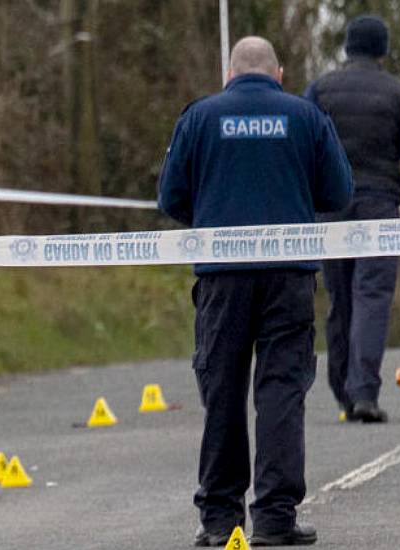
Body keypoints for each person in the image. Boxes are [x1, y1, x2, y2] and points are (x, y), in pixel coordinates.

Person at [158, 36, 353, 547]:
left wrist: (212, 216)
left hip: (221, 279)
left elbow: (170, 196)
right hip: (289, 276)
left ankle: (221, 520)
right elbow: (338, 192)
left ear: (228, 75)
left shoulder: (199, 118)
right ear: (279, 74)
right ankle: (274, 517)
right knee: (281, 392)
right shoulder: (306, 117)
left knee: (222, 392)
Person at [305, 15, 400, 424]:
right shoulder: (398, 94)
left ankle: (342, 390)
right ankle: (363, 391)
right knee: (372, 295)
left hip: (331, 207)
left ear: (347, 47)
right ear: (382, 49)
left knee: (340, 296)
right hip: (378, 205)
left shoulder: (320, 90)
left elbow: (302, 143)